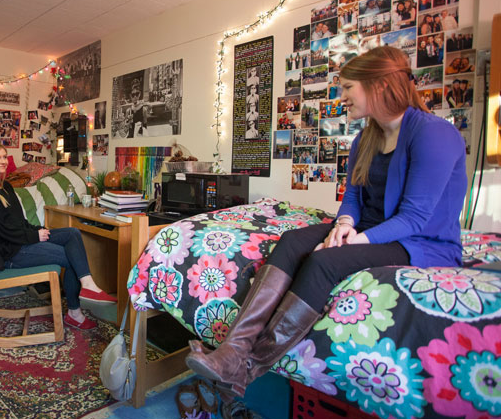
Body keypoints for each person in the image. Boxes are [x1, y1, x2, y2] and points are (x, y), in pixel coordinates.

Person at [184, 46, 467, 397]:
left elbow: (414, 217)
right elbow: (352, 196)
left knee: (322, 262)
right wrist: (344, 224)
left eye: (348, 87)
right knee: (290, 243)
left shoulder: (434, 133)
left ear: (377, 85)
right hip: (370, 229)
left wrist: (351, 242)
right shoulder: (367, 136)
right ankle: (232, 350)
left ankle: (248, 366)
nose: (342, 96)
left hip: (420, 243)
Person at [0, 143, 115, 329]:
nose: (4, 161)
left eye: (5, 157)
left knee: (72, 233)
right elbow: (2, 230)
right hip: (10, 251)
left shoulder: (5, 186)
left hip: (20, 241)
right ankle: (74, 313)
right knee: (71, 257)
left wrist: (39, 230)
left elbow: (19, 222)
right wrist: (34, 236)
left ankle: (87, 284)